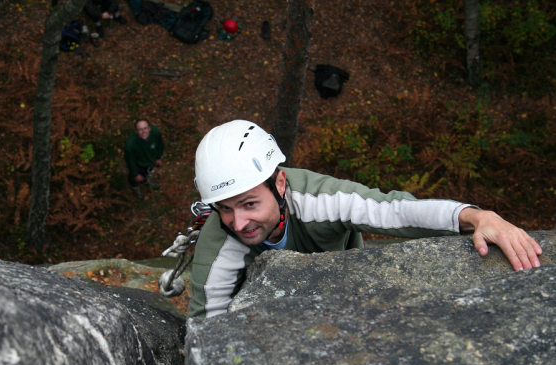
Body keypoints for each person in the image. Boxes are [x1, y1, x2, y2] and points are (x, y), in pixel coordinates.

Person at [188, 120, 543, 319]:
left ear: (280, 183)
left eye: (249, 204)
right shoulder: (218, 247)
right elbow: (207, 325)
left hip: (345, 291)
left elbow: (394, 211)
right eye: (226, 208)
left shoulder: (318, 199)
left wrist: (475, 216)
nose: (237, 222)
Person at [123, 119, 164, 200]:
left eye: (145, 128)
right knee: (134, 178)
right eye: (140, 129)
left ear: (149, 128)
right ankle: (135, 187)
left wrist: (158, 158)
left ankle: (145, 181)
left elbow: (160, 144)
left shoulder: (155, 132)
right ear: (136, 131)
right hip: (138, 164)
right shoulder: (130, 144)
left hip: (150, 161)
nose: (143, 131)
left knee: (146, 174)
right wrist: (135, 174)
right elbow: (130, 161)